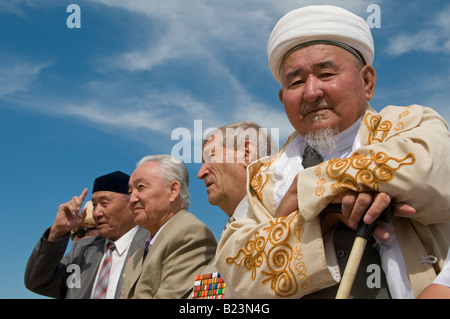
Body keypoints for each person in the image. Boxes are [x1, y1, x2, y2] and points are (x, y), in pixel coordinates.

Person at [215, 5, 450, 299]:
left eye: (326, 74)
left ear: (367, 82)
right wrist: (327, 214)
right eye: (297, 81)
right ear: (282, 97)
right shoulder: (265, 178)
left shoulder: (410, 125)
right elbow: (234, 265)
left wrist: (309, 188)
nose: (311, 92)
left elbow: (431, 171)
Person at [24, 171, 149, 299]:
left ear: (131, 205)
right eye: (94, 205)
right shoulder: (83, 252)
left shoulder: (151, 245)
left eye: (104, 203)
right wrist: (58, 231)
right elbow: (39, 281)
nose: (97, 213)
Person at [192, 121, 275, 298]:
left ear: (246, 154)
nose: (200, 173)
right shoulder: (231, 230)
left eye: (211, 157)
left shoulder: (279, 221)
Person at [121, 154, 217, 299]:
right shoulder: (137, 256)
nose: (132, 199)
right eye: (130, 191)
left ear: (173, 190)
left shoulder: (190, 234)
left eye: (141, 187)